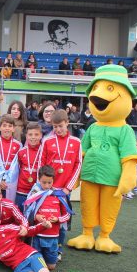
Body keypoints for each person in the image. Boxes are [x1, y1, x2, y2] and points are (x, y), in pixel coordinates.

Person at [38, 109, 82, 259]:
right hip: (48, 190)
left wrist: (68, 187)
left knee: (62, 222)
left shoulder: (76, 142)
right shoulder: (47, 141)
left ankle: (58, 248)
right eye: (55, 127)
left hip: (64, 191)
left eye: (60, 126)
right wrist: (43, 185)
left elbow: (78, 165)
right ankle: (40, 247)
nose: (57, 129)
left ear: (67, 123)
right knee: (45, 218)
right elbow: (41, 164)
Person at [25, 166, 71, 270]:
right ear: (39, 180)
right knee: (37, 265)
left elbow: (67, 215)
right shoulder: (35, 194)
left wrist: (58, 219)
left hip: (53, 236)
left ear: (53, 180)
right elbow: (27, 212)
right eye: (43, 182)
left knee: (51, 266)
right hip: (37, 235)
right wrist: (36, 216)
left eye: (49, 182)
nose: (46, 185)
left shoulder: (59, 195)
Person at [13, 122, 42, 211]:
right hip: (21, 192)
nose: (33, 137)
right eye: (30, 134)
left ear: (41, 135)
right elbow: (18, 169)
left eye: (36, 134)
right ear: (26, 136)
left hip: (37, 192)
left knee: (34, 218)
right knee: (20, 218)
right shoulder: (21, 152)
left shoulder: (43, 151)